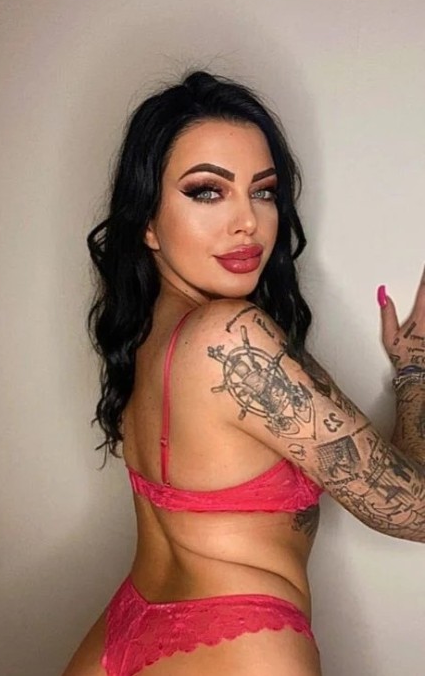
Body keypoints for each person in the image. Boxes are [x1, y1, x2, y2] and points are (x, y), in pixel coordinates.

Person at [62, 71, 425, 676]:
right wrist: (415, 376)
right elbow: (415, 509)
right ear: (146, 220)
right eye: (207, 191)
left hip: (123, 630)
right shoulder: (231, 338)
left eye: (263, 191)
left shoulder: (142, 334)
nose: (248, 222)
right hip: (242, 647)